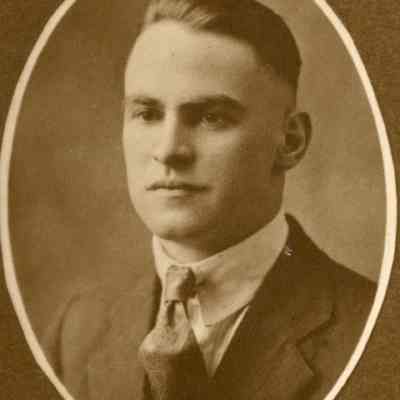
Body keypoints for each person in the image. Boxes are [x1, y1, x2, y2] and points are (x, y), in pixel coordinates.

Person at [42, 0, 376, 399]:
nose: (169, 150)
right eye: (147, 114)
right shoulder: (77, 333)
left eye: (212, 117)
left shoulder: (376, 330)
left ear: (290, 141)